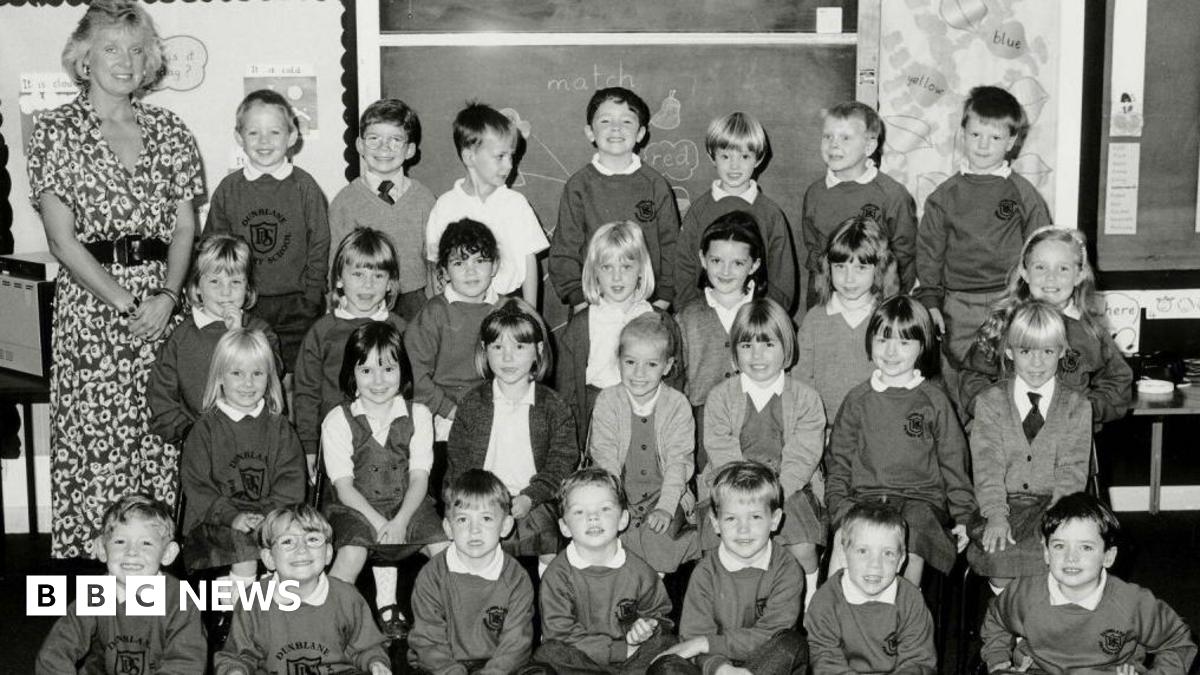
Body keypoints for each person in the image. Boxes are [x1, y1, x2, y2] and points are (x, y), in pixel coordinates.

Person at [27, 0, 203, 558]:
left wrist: (167, 296)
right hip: (93, 313)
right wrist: (130, 304)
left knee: (158, 443)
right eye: (110, 48)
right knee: (95, 453)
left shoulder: (170, 129)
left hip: (162, 306)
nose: (125, 61)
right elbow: (62, 242)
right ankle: (100, 603)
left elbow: (184, 229)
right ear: (83, 58)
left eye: (135, 49)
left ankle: (156, 587)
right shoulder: (54, 131)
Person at [825, 295, 975, 585]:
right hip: (864, 498)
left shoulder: (934, 400)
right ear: (870, 342)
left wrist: (965, 517)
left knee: (911, 535)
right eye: (883, 340)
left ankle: (903, 619)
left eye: (904, 343)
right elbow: (839, 463)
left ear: (922, 347)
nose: (891, 351)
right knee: (849, 534)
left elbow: (954, 464)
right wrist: (840, 509)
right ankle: (830, 620)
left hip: (921, 501)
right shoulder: (858, 400)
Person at [322, 321, 448, 638]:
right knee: (352, 553)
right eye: (366, 371)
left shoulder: (419, 414)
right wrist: (380, 523)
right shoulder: (338, 420)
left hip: (410, 504)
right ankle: (328, 624)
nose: (378, 381)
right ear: (352, 374)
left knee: (445, 548)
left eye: (388, 369)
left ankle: (446, 623)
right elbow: (344, 487)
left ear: (403, 371)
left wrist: (402, 519)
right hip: (357, 508)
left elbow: (420, 477)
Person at [915, 86, 1052, 372]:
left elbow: (1041, 248)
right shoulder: (944, 196)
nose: (983, 145)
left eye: (995, 137)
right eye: (976, 135)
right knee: (959, 373)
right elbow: (930, 253)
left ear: (1012, 141)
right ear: (963, 132)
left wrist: (1032, 297)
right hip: (957, 304)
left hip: (1010, 301)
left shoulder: (1023, 193)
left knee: (1008, 374)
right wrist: (931, 301)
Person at [700, 298, 826, 608]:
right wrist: (745, 495)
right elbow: (720, 448)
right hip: (731, 485)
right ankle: (725, 605)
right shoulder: (720, 397)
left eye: (768, 344)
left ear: (786, 350)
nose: (757, 356)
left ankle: (807, 602)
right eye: (746, 345)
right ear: (734, 353)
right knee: (714, 542)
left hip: (788, 487)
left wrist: (776, 492)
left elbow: (804, 454)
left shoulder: (806, 398)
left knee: (802, 544)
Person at [981, 493, 1196, 674]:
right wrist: (998, 662)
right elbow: (996, 621)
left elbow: (1178, 642)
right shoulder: (1024, 594)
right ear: (1046, 553)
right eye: (1059, 546)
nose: (1070, 557)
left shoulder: (1132, 603)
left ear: (1108, 557)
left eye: (1085, 547)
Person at [967, 300, 1092, 590]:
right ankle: (1011, 626)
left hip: (1055, 505)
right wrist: (997, 515)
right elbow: (987, 466)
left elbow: (1071, 472)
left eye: (1047, 352)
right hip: (1002, 504)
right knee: (1000, 559)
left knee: (1055, 558)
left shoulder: (1077, 406)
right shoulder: (990, 402)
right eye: (1026, 351)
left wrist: (1057, 520)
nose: (1037, 363)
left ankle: (1038, 631)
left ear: (1062, 352)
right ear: (1009, 351)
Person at [446, 298, 578, 571]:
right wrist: (479, 500)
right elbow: (459, 461)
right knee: (475, 538)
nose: (507, 358)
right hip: (482, 500)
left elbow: (562, 461)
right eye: (497, 347)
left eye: (519, 347)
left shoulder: (553, 405)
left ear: (538, 350)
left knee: (547, 536)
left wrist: (531, 496)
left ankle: (550, 595)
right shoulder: (473, 404)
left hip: (536, 498)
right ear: (485, 350)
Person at [205, 88, 330, 374]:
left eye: (274, 133)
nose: (264, 142)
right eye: (253, 133)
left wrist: (312, 294)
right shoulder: (229, 189)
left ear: (292, 137)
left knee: (299, 378)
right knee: (251, 375)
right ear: (239, 137)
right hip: (246, 304)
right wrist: (226, 298)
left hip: (297, 304)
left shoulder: (304, 186)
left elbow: (320, 242)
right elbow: (214, 249)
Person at [959, 226, 1133, 426]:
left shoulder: (1090, 331)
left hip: (1070, 442)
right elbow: (972, 377)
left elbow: (1119, 381)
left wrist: (1086, 409)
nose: (1051, 277)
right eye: (1041, 267)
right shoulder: (1003, 323)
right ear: (1024, 272)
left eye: (1063, 268)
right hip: (1007, 438)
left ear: (1080, 275)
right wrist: (996, 408)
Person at [650, 462, 808, 675]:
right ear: (715, 523)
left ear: (775, 520)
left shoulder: (787, 569)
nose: (744, 529)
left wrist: (704, 643)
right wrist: (720, 668)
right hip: (714, 666)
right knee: (665, 666)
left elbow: (770, 634)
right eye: (732, 518)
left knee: (791, 644)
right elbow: (693, 636)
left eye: (755, 517)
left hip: (764, 664)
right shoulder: (705, 573)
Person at [180, 328, 306, 584]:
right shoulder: (205, 429)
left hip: (269, 520)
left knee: (297, 546)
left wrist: (267, 516)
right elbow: (198, 488)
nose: (248, 383)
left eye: (257, 373)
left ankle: (268, 608)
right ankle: (240, 615)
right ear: (220, 377)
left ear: (269, 378)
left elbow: (291, 485)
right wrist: (232, 517)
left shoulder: (279, 428)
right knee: (245, 549)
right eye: (237, 373)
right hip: (214, 524)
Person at [35, 494, 206, 674]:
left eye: (146, 543)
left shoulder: (181, 602)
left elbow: (186, 663)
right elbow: (56, 650)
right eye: (120, 541)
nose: (131, 552)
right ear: (102, 549)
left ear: (167, 553)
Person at [215, 505, 393, 675]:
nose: (302, 549)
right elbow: (238, 656)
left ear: (328, 553)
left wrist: (375, 663)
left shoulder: (347, 597)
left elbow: (368, 647)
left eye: (312, 539)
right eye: (287, 541)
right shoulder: (253, 600)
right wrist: (235, 670)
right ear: (269, 558)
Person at [530, 467, 676, 674]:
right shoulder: (557, 576)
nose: (593, 517)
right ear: (564, 527)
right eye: (579, 511)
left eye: (605, 509)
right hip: (581, 659)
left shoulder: (640, 571)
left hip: (633, 657)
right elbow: (559, 633)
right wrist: (618, 650)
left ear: (623, 519)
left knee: (669, 649)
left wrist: (647, 626)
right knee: (549, 654)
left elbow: (661, 615)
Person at [549, 86, 680, 313]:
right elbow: (564, 250)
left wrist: (662, 301)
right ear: (590, 132)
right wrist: (581, 302)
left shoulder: (655, 185)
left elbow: (672, 246)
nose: (616, 128)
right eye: (606, 121)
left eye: (627, 122)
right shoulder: (579, 186)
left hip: (648, 308)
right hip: (592, 308)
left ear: (641, 133)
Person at [556, 221, 684, 449]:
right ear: (594, 272)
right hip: (598, 421)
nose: (617, 277)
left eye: (626, 267)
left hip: (649, 420)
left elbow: (675, 382)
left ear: (641, 271)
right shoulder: (582, 324)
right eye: (607, 267)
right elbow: (567, 394)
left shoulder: (662, 321)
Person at [588, 312, 699, 575]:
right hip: (618, 492)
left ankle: (656, 592)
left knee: (657, 536)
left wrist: (665, 507)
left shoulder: (676, 404)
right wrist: (613, 504)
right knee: (609, 538)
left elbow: (678, 463)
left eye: (651, 364)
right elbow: (605, 460)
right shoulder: (607, 401)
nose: (639, 373)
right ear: (619, 361)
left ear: (668, 365)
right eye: (630, 362)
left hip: (665, 494)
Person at [148, 234, 281, 447]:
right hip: (200, 444)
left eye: (235, 282)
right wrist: (189, 433)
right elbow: (160, 397)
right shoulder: (181, 338)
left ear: (247, 288)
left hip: (255, 439)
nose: (225, 291)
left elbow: (273, 375)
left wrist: (239, 334)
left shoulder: (260, 331)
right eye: (214, 281)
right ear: (197, 288)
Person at [294, 228, 407, 470]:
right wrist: (309, 446)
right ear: (338, 279)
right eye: (357, 274)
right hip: (337, 449)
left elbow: (411, 391)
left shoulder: (401, 330)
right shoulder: (322, 332)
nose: (367, 285)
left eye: (378, 276)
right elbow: (306, 393)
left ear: (390, 283)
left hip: (390, 451)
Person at [408, 469, 536, 674]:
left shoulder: (516, 578)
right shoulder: (432, 575)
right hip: (442, 665)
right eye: (462, 520)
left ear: (505, 526)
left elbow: (516, 644)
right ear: (448, 529)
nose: (474, 530)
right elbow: (427, 640)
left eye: (486, 518)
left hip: (497, 664)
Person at [423, 102, 547, 305]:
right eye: (500, 156)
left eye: (511, 156)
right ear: (470, 156)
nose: (509, 165)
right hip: (460, 306)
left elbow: (529, 262)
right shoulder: (445, 206)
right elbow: (435, 265)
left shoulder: (516, 204)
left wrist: (531, 312)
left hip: (508, 304)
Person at [674, 112, 796, 312]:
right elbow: (684, 269)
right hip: (705, 318)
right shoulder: (699, 210)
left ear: (758, 159)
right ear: (711, 156)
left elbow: (782, 277)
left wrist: (765, 318)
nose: (734, 165)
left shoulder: (770, 213)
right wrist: (694, 315)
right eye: (725, 156)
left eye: (745, 156)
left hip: (756, 322)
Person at [800, 101, 917, 307]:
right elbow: (815, 253)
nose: (834, 144)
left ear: (869, 146)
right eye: (828, 136)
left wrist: (890, 302)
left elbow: (904, 256)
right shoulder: (815, 193)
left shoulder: (892, 195)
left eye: (845, 138)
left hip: (876, 304)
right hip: (827, 302)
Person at [329, 98, 436, 323]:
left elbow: (433, 258)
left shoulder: (425, 199)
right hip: (364, 300)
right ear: (359, 145)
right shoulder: (345, 202)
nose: (384, 148)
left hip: (414, 301)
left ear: (410, 150)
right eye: (374, 139)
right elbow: (335, 263)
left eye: (395, 140)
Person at [805, 502, 937, 674]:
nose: (875, 565)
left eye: (887, 553)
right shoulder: (825, 601)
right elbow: (824, 659)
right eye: (863, 551)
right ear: (844, 556)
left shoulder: (911, 601)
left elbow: (918, 660)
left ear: (901, 561)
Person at [795, 216, 898, 427]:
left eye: (861, 268)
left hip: (877, 426)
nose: (849, 279)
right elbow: (800, 381)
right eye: (840, 267)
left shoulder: (890, 319)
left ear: (879, 268)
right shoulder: (815, 320)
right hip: (824, 429)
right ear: (828, 267)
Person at [406, 218, 501, 442]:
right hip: (443, 414)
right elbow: (414, 375)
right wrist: (450, 410)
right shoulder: (434, 313)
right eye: (459, 263)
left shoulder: (506, 310)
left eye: (480, 261)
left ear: (494, 266)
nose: (471, 271)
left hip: (495, 409)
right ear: (445, 272)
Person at [677, 211, 769, 437]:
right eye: (716, 260)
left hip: (757, 420)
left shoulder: (770, 316)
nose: (725, 271)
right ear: (702, 259)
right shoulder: (687, 318)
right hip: (701, 422)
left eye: (738, 263)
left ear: (754, 265)